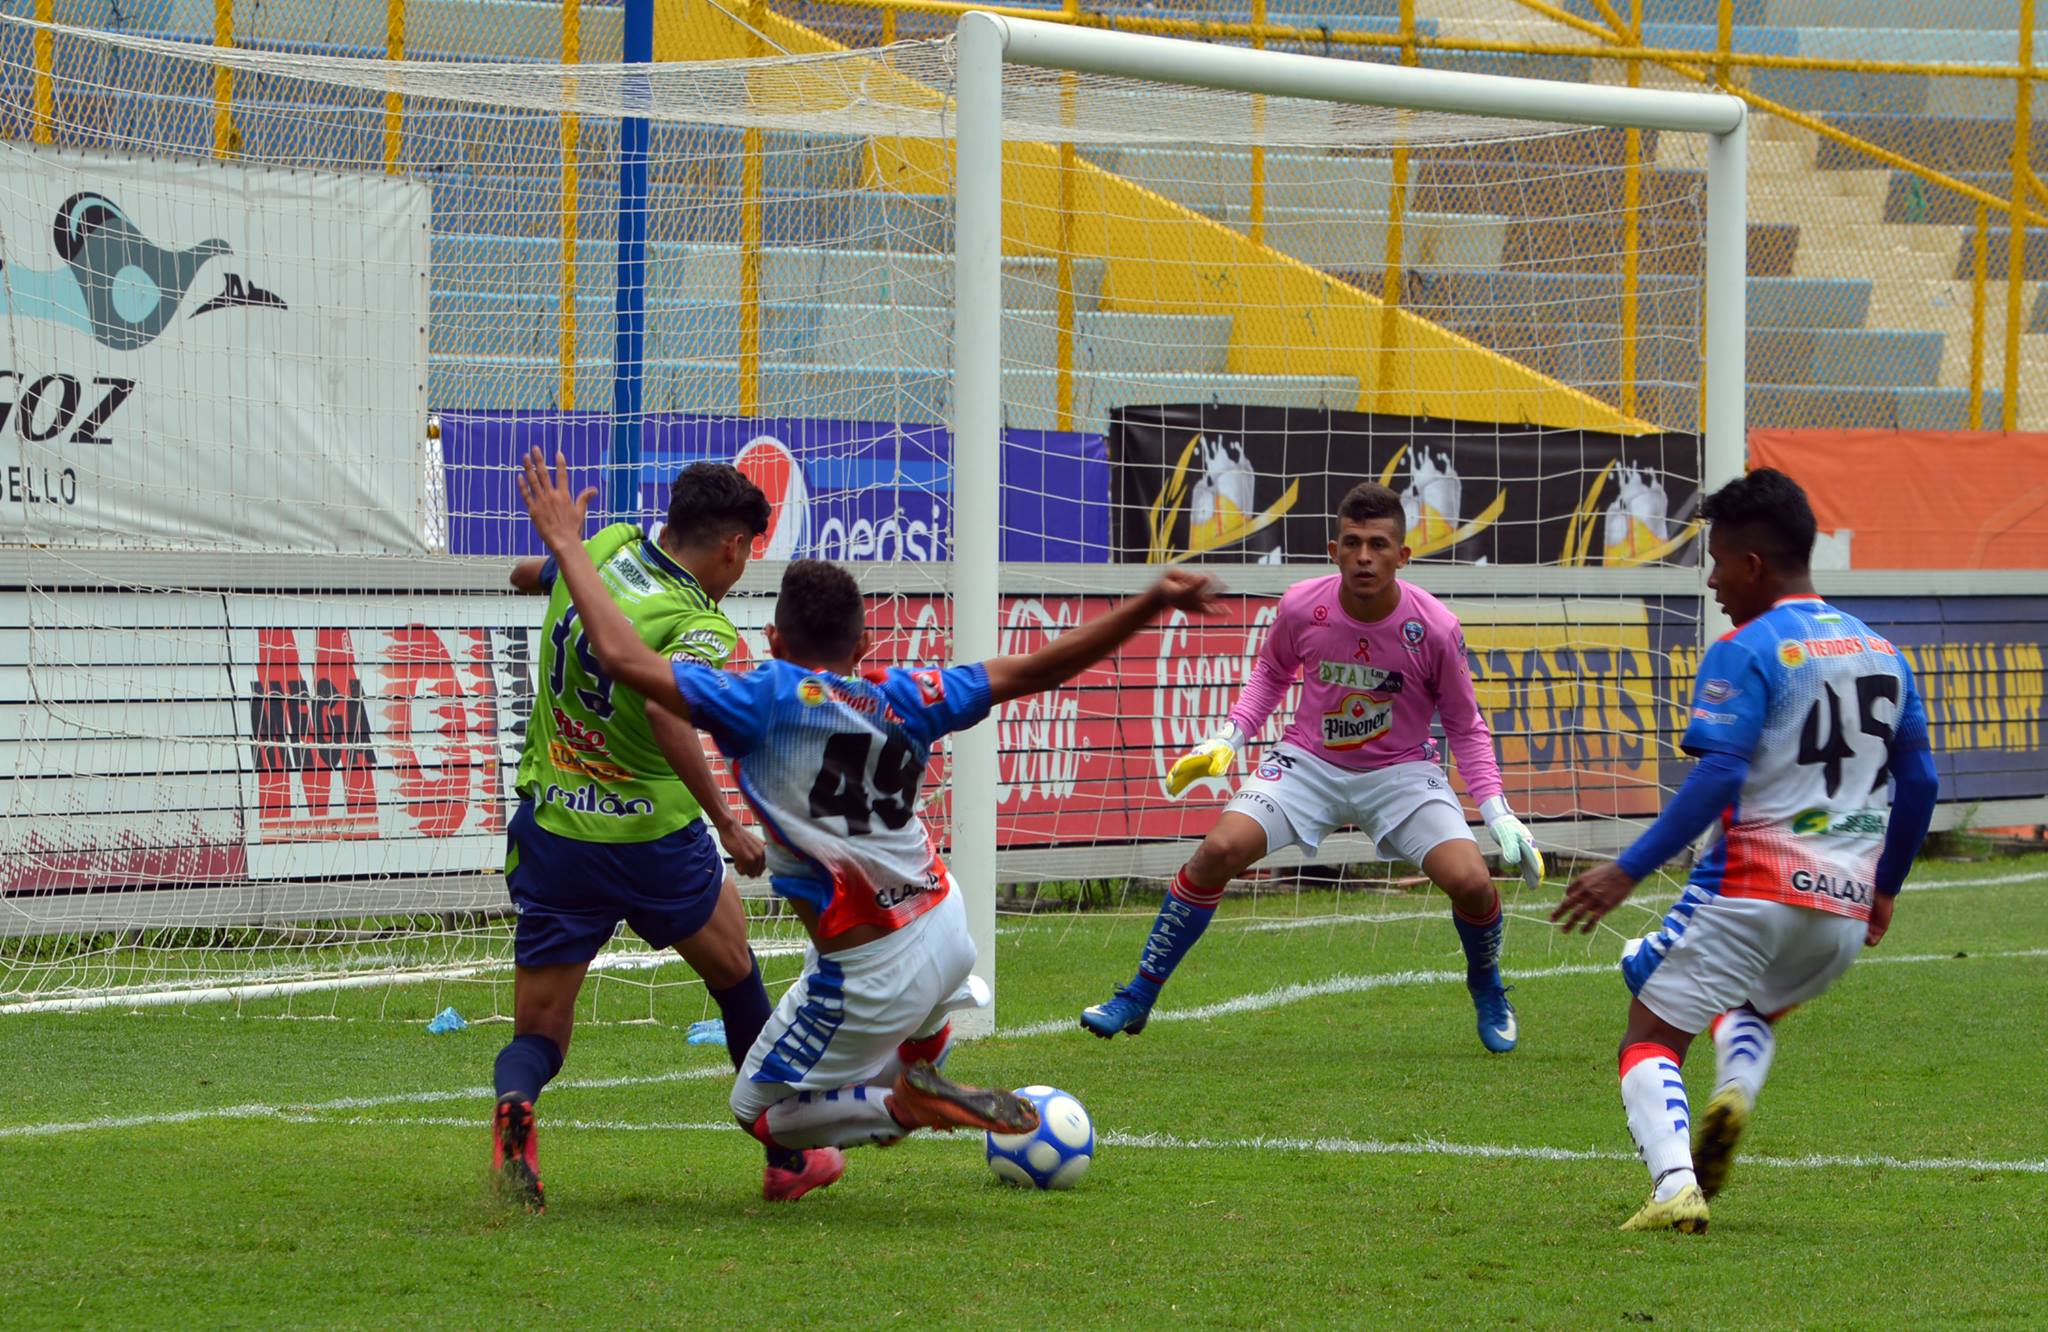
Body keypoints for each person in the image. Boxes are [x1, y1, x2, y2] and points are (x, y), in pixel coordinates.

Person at [515, 446, 1226, 1191]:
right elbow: (1039, 668)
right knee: (896, 1002)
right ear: (862, 646)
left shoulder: (761, 700)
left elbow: (623, 659)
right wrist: (1151, 601)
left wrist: (566, 545)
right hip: (948, 929)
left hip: (869, 970)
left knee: (757, 1110)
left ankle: (902, 1104)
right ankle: (924, 1060)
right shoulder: (908, 694)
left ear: (775, 643)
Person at [1552, 467, 1938, 1234]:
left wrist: (1626, 870)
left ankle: (1674, 1185)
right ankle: (1735, 1090)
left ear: (1754, 565)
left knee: (1649, 1033)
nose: (1712, 580)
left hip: (1751, 888)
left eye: (1719, 561)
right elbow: (1921, 781)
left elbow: (1720, 773)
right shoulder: (1882, 652)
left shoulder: (1745, 648)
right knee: (1749, 1004)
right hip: (1841, 909)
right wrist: (1886, 887)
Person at [1080, 481, 1543, 1052]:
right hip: (1308, 765)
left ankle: (1487, 984)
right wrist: (1229, 737)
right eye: (1352, 543)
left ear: (1403, 555)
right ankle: (1137, 995)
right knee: (1218, 851)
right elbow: (1271, 674)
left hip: (1401, 775)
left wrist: (1497, 812)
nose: (1364, 556)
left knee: (1472, 882)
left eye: (1378, 545)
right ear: (1333, 550)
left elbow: (1465, 725)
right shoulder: (1302, 605)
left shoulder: (1436, 628)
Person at [490, 461, 840, 1212]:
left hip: (556, 830)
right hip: (653, 839)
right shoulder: (701, 626)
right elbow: (665, 710)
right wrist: (728, 823)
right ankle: (788, 1158)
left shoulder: (606, 545)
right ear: (733, 547)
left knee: (540, 1033)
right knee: (737, 978)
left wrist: (550, 573)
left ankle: (516, 1102)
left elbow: (533, 573)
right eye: (748, 554)